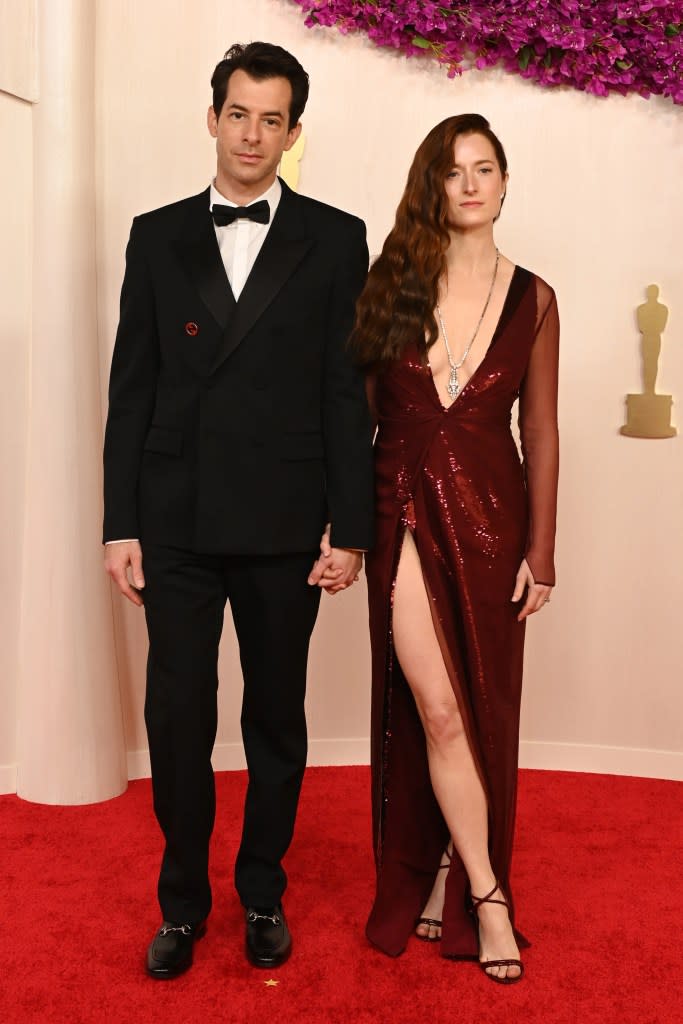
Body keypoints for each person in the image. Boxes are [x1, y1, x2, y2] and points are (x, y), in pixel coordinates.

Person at [103, 42, 374, 978]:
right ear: (211, 117)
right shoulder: (154, 233)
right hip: (173, 518)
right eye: (237, 113)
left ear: (293, 132)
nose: (252, 133)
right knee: (177, 716)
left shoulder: (337, 238)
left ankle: (262, 891)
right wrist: (119, 522)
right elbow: (129, 390)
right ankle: (182, 903)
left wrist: (353, 526)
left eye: (272, 119)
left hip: (286, 519)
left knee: (275, 717)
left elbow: (348, 393)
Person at [346, 114, 559, 983]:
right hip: (398, 510)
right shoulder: (389, 282)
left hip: (490, 519)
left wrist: (539, 551)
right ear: (431, 186)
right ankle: (487, 893)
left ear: (505, 183)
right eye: (452, 171)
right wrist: (343, 527)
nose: (468, 184)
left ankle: (448, 870)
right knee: (433, 708)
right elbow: (349, 416)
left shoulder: (535, 296)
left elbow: (540, 430)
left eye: (484, 169)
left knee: (478, 708)